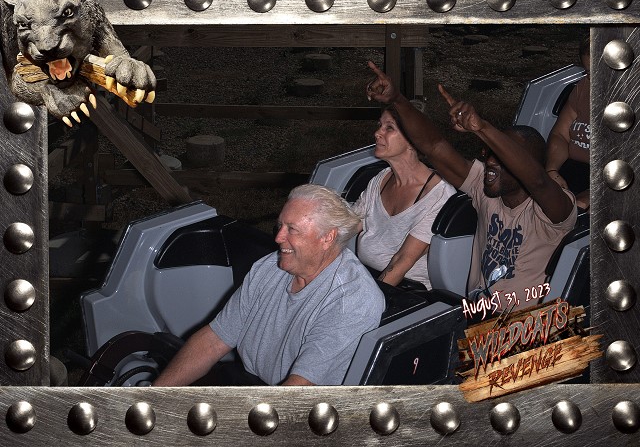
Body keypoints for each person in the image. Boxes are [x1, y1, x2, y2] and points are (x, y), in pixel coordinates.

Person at [365, 61, 577, 311]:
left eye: (502, 158)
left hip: (525, 325)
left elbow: (538, 181)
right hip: (477, 315)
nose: (490, 162)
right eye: (489, 153)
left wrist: (483, 128)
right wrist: (398, 100)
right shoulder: (485, 191)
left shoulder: (554, 210)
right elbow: (434, 148)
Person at [153, 184, 385, 386]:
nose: (278, 238)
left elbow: (298, 388)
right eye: (280, 226)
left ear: (328, 237)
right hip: (254, 384)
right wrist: (154, 395)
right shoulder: (270, 267)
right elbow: (214, 341)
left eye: (292, 229)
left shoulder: (352, 301)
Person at [353, 105, 456, 289]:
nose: (377, 133)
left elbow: (400, 262)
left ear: (413, 139)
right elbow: (349, 224)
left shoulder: (439, 196)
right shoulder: (381, 179)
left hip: (406, 291)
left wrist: (370, 301)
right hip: (367, 279)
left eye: (389, 128)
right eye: (379, 125)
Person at [545, 37, 590, 210]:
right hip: (571, 169)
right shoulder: (584, 86)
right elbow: (560, 135)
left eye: (601, 72)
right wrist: (552, 171)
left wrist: (595, 193)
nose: (592, 79)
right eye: (588, 72)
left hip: (608, 179)